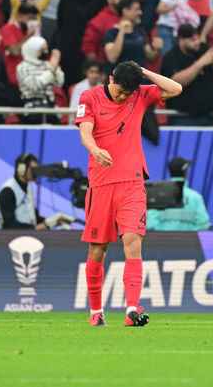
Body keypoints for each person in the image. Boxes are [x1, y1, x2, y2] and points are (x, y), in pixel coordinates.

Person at [76, 60, 183, 327]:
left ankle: (132, 310)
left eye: (128, 92)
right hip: (101, 184)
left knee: (133, 243)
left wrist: (143, 73)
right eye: (120, 91)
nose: (123, 96)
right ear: (110, 79)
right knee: (98, 249)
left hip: (133, 183)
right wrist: (95, 149)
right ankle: (96, 311)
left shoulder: (139, 93)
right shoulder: (89, 97)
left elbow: (176, 88)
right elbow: (85, 132)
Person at [159, 24, 213, 126]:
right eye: (192, 40)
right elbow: (176, 82)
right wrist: (200, 63)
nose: (197, 43)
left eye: (198, 39)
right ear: (181, 40)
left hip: (210, 115)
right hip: (184, 118)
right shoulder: (172, 57)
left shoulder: (203, 49)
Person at [146, 157, 212, 231]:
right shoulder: (195, 197)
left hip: (162, 241)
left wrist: (165, 235)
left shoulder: (158, 196)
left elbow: (151, 224)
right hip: (190, 242)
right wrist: (187, 236)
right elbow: (204, 224)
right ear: (185, 172)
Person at [17, 36, 64, 125]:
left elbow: (59, 82)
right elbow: (34, 85)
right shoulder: (22, 67)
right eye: (42, 50)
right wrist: (51, 70)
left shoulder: (47, 65)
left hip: (51, 109)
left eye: (46, 49)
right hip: (31, 111)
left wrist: (56, 67)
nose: (45, 52)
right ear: (33, 50)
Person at [0, 153, 49, 229]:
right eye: (33, 169)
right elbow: (9, 225)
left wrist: (51, 221)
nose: (35, 173)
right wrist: (34, 229)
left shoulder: (28, 189)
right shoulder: (7, 191)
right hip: (6, 239)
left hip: (26, 236)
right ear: (21, 169)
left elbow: (33, 217)